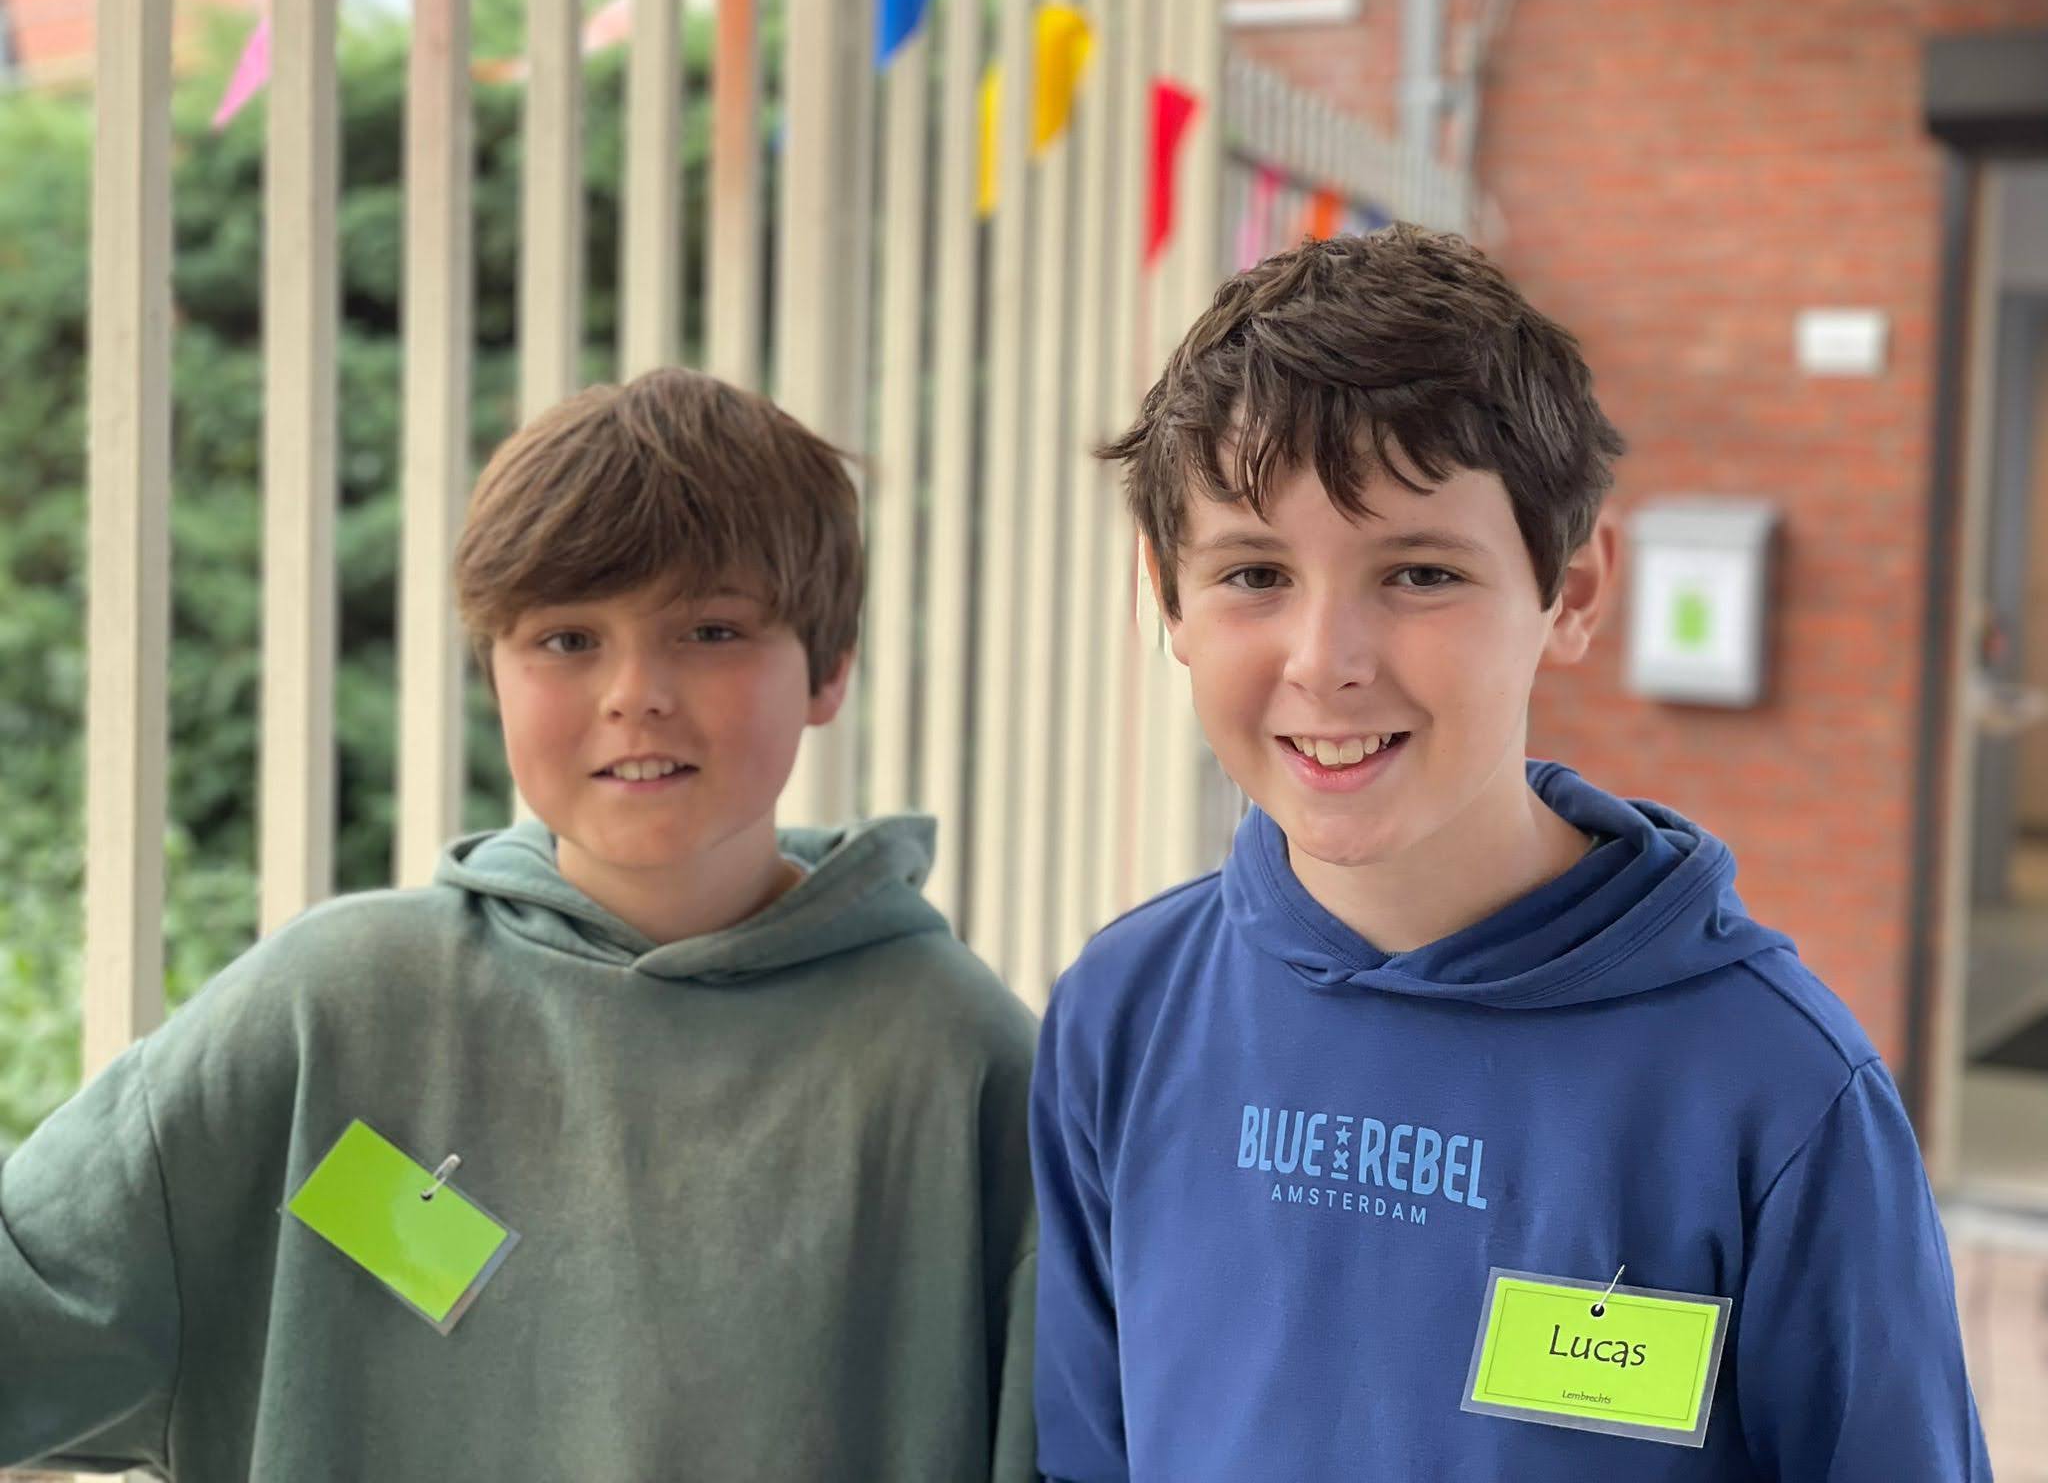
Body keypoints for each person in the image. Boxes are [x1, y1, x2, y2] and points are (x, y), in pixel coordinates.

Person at [1029, 226, 1990, 1480]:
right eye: (1254, 574)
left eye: (1419, 573)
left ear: (1572, 590)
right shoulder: (1121, 1014)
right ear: (1165, 594)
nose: (1324, 661)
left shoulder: (1777, 1093)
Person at [1, 367, 1039, 1482]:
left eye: (710, 629)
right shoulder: (329, 1009)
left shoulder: (963, 1060)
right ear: (491, 671)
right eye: (566, 640)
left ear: (828, 668)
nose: (635, 692)